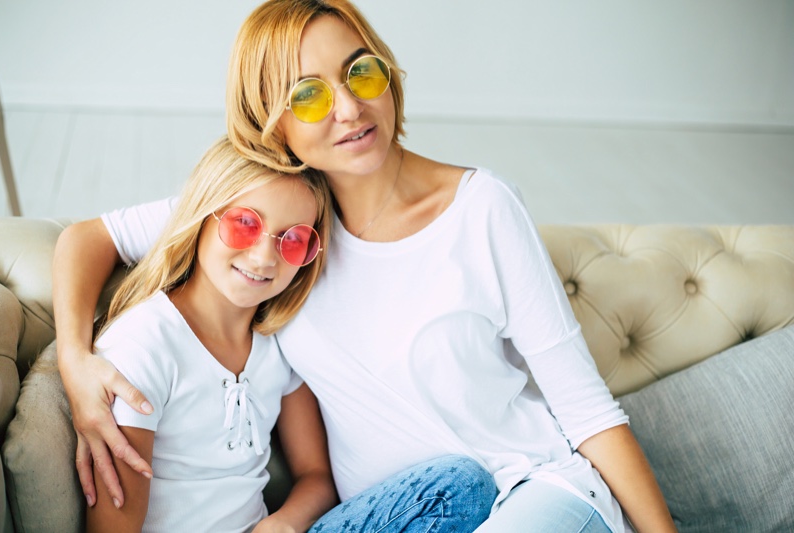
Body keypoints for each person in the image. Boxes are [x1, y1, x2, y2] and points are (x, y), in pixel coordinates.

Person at [54, 1, 676, 531]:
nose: (349, 109)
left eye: (361, 73)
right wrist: (76, 364)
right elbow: (86, 239)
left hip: (535, 491)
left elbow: (589, 413)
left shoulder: (482, 208)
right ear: (267, 121)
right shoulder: (269, 227)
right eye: (309, 94)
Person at [82, 135, 495, 533]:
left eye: (293, 239)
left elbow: (316, 476)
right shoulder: (144, 344)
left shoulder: (278, 343)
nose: (264, 257)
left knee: (463, 485)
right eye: (244, 223)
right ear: (202, 215)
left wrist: (285, 521)